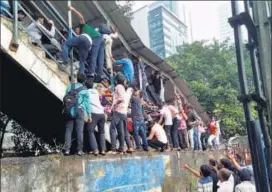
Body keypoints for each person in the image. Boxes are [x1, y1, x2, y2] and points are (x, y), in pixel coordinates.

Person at [67, 6, 104, 80]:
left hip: (96, 38)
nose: (76, 31)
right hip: (100, 39)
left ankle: (91, 73)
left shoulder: (82, 26)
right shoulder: (81, 36)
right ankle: (100, 74)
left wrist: (73, 9)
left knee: (94, 55)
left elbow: (81, 17)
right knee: (100, 58)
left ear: (78, 28)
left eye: (76, 29)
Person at [64, 74, 91, 156]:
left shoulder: (69, 87)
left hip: (70, 110)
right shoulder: (85, 90)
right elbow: (87, 104)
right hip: (80, 110)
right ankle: (79, 150)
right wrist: (89, 115)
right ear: (84, 81)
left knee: (68, 130)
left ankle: (67, 150)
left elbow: (66, 98)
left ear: (77, 79)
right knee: (79, 131)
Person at [107, 74, 133, 155]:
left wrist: (114, 105)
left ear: (116, 80)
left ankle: (113, 149)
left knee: (112, 129)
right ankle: (121, 149)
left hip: (118, 111)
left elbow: (121, 98)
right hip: (124, 113)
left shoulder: (118, 86)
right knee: (121, 131)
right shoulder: (126, 89)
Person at [85, 81, 106, 156]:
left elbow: (87, 105)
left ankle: (95, 149)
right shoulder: (96, 92)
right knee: (102, 132)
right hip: (101, 113)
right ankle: (103, 150)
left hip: (94, 113)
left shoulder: (86, 93)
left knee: (90, 130)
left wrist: (89, 116)